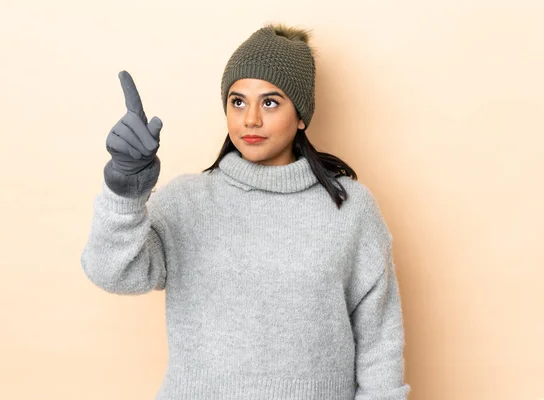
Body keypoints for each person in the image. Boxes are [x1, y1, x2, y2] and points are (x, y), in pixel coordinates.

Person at [81, 23, 411, 400]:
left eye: (270, 102)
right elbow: (111, 272)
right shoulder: (187, 201)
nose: (250, 119)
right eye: (238, 101)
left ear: (301, 115)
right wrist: (124, 188)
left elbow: (379, 342)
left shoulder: (350, 209)